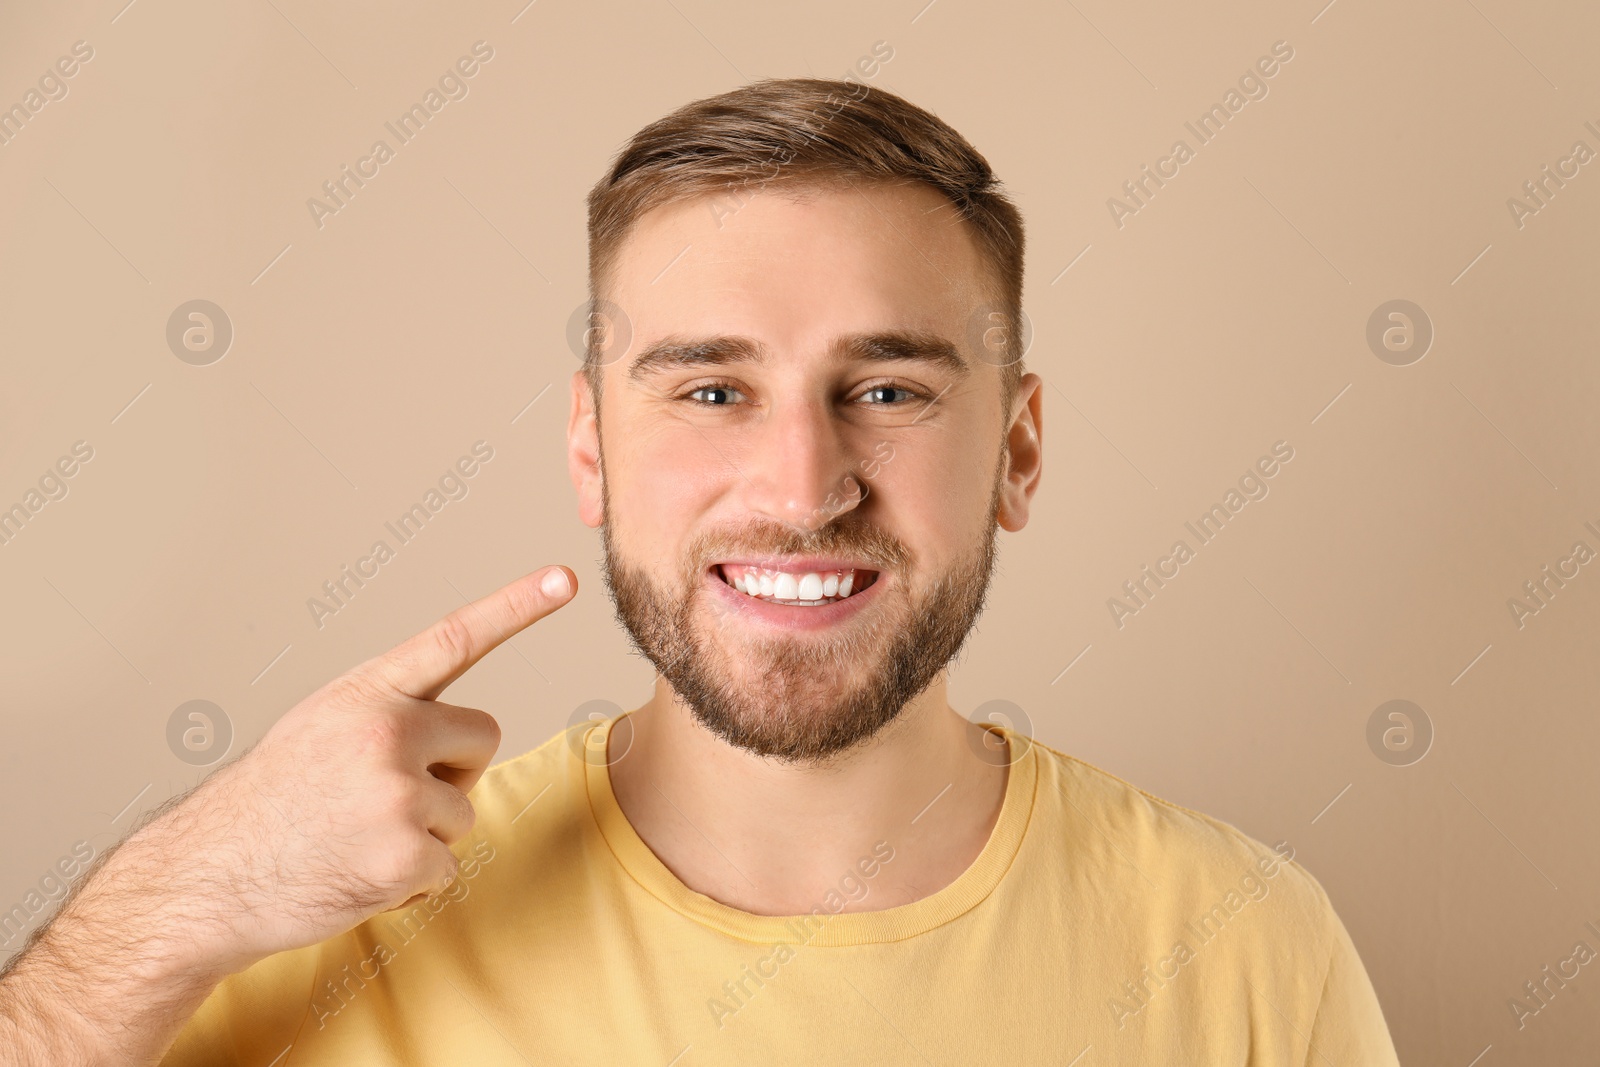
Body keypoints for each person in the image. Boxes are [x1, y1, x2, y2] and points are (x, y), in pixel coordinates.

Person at [0, 77, 1400, 1065]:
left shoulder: (1245, 950)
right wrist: (192, 891)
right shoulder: (312, 928)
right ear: (592, 445)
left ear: (1019, 451)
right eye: (712, 394)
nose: (803, 489)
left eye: (892, 391)